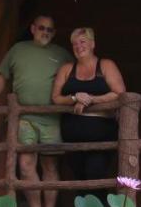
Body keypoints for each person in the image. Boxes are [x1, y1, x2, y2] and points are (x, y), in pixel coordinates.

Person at [0, 15, 71, 207]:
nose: (45, 32)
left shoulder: (62, 54)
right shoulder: (18, 50)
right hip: (24, 118)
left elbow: (74, 78)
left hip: (52, 118)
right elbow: (2, 76)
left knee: (50, 167)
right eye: (41, 28)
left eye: (50, 29)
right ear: (32, 28)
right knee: (26, 165)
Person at [51, 27, 127, 187]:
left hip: (102, 135)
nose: (79, 47)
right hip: (72, 136)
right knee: (79, 179)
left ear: (92, 44)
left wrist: (91, 99)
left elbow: (120, 93)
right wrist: (74, 97)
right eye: (74, 44)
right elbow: (56, 98)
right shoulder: (66, 69)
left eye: (82, 42)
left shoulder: (106, 65)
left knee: (96, 174)